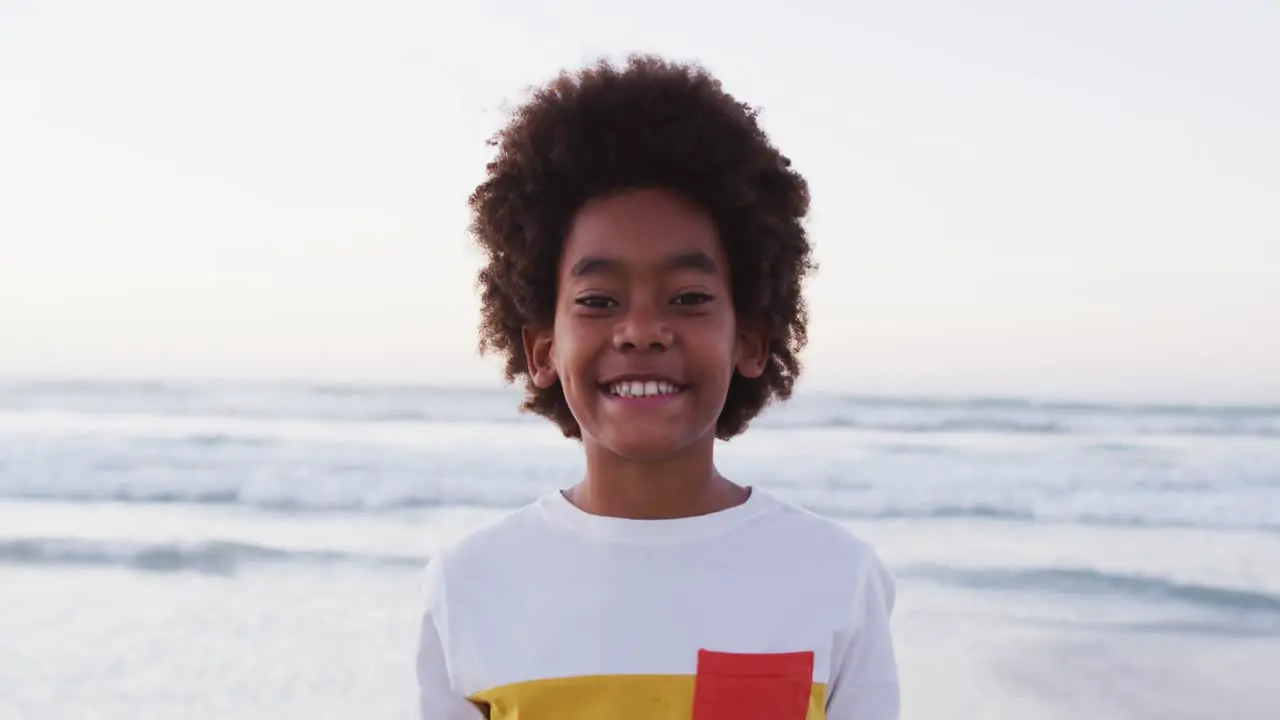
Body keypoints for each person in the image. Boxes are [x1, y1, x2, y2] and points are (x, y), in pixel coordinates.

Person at [416, 54, 900, 720]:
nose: (642, 330)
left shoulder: (834, 580)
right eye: (598, 300)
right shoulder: (470, 587)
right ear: (543, 348)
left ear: (751, 339)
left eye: (690, 296)